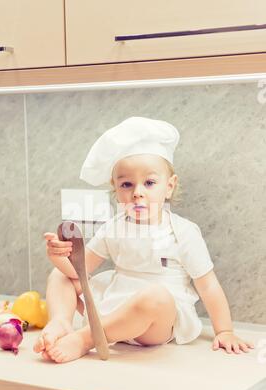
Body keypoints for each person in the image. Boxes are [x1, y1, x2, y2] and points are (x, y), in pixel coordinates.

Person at [34, 116, 254, 363]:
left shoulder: (183, 232)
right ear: (115, 189)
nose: (137, 192)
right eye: (127, 184)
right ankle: (61, 322)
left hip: (154, 324)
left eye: (149, 183)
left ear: (169, 186)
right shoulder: (113, 227)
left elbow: (208, 286)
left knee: (156, 297)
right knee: (60, 276)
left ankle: (86, 338)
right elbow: (79, 272)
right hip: (112, 306)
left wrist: (225, 331)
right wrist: (59, 257)